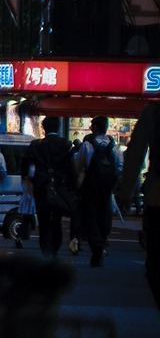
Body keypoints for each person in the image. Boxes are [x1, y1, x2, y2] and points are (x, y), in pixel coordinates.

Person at [24, 117, 78, 257]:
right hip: (59, 186)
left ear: (44, 128)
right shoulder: (66, 144)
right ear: (58, 128)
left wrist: (29, 180)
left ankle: (46, 250)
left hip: (41, 186)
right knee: (57, 220)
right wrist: (73, 187)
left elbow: (27, 165)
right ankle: (55, 248)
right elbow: (71, 168)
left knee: (44, 221)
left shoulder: (36, 145)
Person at [75, 115, 122, 268]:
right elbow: (120, 167)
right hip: (107, 188)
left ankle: (96, 244)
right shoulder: (114, 146)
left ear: (94, 127)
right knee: (104, 216)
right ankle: (101, 241)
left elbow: (79, 166)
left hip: (90, 186)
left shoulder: (87, 145)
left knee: (90, 216)